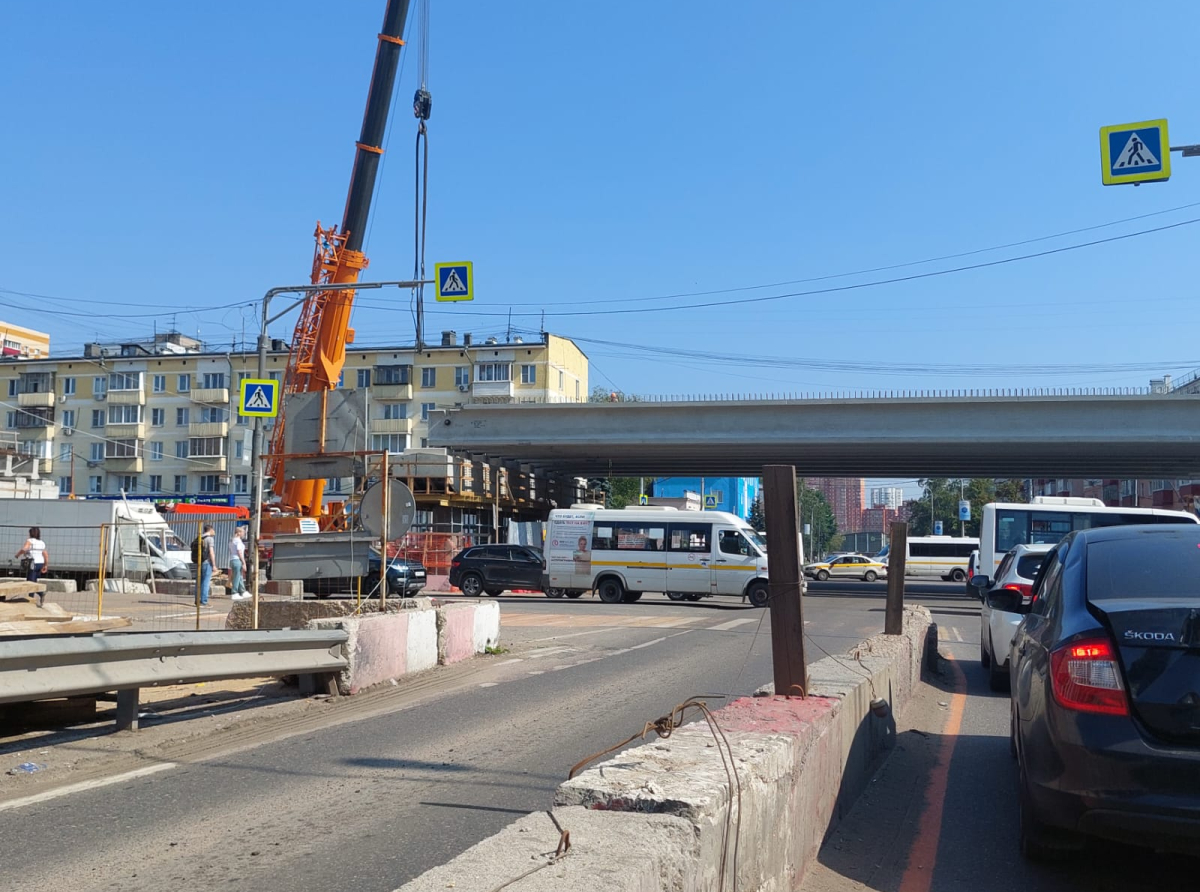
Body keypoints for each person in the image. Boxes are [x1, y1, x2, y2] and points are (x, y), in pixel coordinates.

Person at [15, 526, 48, 606]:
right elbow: (45, 554)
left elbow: (24, 549)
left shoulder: (30, 541)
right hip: (40, 563)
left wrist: (18, 554)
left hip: (33, 563)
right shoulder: (41, 542)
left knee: (30, 583)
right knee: (33, 581)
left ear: (30, 533)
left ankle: (36, 596)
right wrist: (45, 565)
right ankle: (36, 597)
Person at [228, 526, 249, 601]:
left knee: (239, 576)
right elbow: (239, 552)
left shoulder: (232, 541)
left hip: (232, 560)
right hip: (237, 560)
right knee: (237, 577)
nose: (244, 534)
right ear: (239, 533)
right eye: (243, 532)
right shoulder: (238, 541)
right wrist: (244, 562)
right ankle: (234, 592)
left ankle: (242, 591)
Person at [199, 523, 216, 607]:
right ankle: (204, 601)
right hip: (206, 562)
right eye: (213, 530)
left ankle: (197, 600)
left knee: (199, 582)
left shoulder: (200, 537)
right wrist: (214, 565)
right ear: (210, 530)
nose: (214, 531)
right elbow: (211, 552)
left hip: (199, 562)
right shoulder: (210, 539)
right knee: (206, 582)